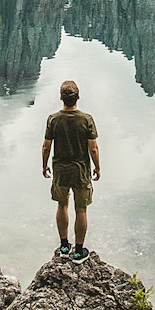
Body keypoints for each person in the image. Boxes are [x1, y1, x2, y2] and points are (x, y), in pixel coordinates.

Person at [41, 78, 100, 261]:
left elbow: (46, 146)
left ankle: (64, 246)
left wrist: (44, 165)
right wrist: (98, 167)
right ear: (78, 97)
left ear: (61, 98)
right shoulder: (86, 119)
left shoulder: (53, 119)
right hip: (80, 170)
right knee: (81, 209)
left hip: (60, 170)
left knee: (62, 205)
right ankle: (79, 250)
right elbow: (93, 148)